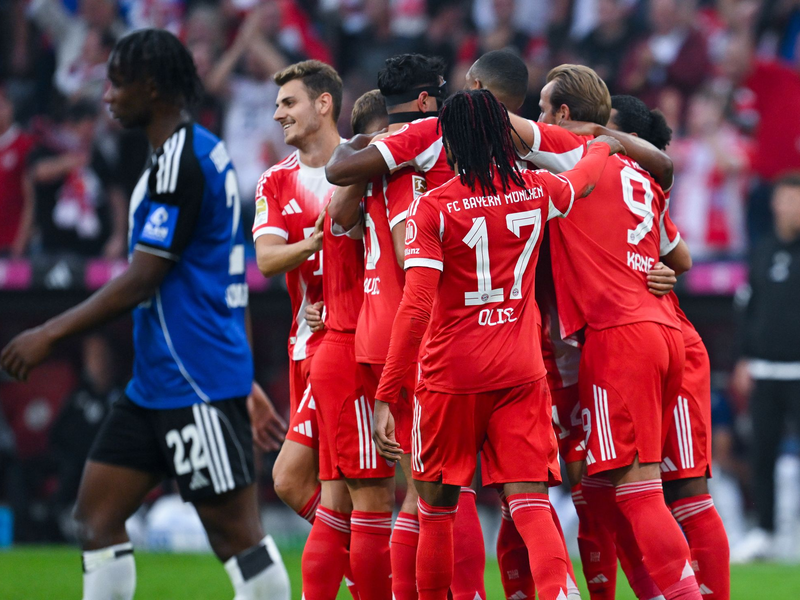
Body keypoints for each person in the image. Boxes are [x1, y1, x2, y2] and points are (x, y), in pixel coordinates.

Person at [0, 29, 290, 600]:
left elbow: (142, 278)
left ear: (152, 88)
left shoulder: (182, 162)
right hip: (157, 385)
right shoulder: (192, 150)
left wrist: (48, 333)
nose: (107, 95)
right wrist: (247, 378)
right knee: (95, 517)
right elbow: (225, 279)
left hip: (196, 382)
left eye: (118, 83)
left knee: (236, 535)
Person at [372, 88, 622, 600]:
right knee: (530, 502)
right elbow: (583, 180)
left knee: (436, 509)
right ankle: (560, 593)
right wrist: (601, 144)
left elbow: (415, 308)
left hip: (451, 377)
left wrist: (386, 393)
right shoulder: (535, 188)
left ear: (453, 141)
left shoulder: (433, 209)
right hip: (520, 371)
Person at [507, 65, 703, 600]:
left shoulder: (571, 149)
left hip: (617, 337)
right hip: (661, 330)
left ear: (564, 114)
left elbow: (496, 121)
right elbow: (679, 256)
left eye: (543, 109)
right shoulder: (638, 170)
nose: (538, 118)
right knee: (617, 488)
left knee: (639, 493)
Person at [328, 53, 488, 600]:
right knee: (446, 489)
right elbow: (408, 254)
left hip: (374, 332)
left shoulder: (375, 166)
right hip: (416, 335)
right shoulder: (413, 174)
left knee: (418, 490)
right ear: (424, 101)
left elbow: (339, 215)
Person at [606, 94, 730, 600]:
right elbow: (680, 258)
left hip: (658, 342)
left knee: (678, 492)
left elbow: (682, 259)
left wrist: (659, 268)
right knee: (624, 494)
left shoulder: (633, 184)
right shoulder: (620, 187)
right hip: (637, 344)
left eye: (604, 126)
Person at [251, 59, 359, 598]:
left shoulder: (364, 164)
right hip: (304, 345)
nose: (278, 115)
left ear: (323, 103)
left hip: (350, 346)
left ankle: (383, 574)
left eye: (288, 103)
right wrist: (314, 244)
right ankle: (380, 573)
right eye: (277, 105)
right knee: (338, 494)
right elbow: (268, 259)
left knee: (292, 478)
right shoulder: (276, 180)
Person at [300, 90, 395, 600]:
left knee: (337, 505)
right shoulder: (356, 186)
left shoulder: (360, 184)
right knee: (373, 503)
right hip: (353, 356)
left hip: (340, 351)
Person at [730, 174, 800, 563]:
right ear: (775, 204)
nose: (791, 208)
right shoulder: (762, 251)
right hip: (765, 370)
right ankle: (765, 531)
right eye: (786, 199)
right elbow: (747, 308)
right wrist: (743, 358)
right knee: (762, 454)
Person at [0, 85, 35, 257]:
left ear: (9, 107)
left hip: (12, 243)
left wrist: (20, 242)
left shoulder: (25, 144)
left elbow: (31, 198)